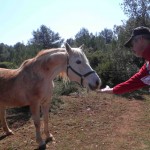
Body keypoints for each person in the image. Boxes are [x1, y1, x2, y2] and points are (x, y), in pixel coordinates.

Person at [97, 26, 150, 94]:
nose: (132, 48)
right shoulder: (148, 65)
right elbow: (132, 83)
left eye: (132, 44)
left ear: (141, 39)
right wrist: (112, 90)